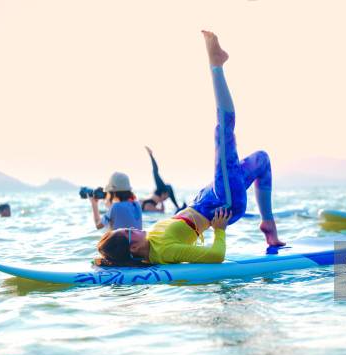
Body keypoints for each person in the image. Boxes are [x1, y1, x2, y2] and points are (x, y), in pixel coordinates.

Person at [94, 30, 284, 266]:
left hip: (205, 199)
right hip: (222, 202)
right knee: (223, 131)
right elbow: (216, 257)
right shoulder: (165, 251)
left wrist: (106, 257)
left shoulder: (151, 241)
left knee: (261, 161)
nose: (131, 228)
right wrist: (220, 230)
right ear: (133, 245)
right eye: (127, 231)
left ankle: (268, 226)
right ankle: (216, 65)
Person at [140, 146, 186, 212]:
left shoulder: (151, 202)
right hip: (149, 202)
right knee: (155, 173)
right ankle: (177, 207)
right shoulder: (149, 205)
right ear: (163, 194)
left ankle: (177, 207)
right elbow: (161, 211)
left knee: (156, 173)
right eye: (167, 197)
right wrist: (162, 201)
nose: (167, 199)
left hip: (148, 201)